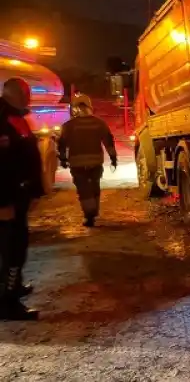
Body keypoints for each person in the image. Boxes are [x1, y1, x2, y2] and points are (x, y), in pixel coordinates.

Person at [0, 77, 44, 320]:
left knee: (19, 246)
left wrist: (35, 191)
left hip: (18, 196)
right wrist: (3, 203)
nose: (29, 97)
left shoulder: (16, 117)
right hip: (7, 199)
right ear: (11, 94)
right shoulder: (2, 120)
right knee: (11, 252)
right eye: (25, 93)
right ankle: (7, 303)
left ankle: (14, 287)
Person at [57, 93, 117, 227]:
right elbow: (108, 141)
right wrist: (113, 158)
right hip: (95, 162)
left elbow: (62, 144)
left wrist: (63, 159)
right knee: (95, 186)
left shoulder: (69, 125)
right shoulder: (99, 123)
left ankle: (90, 215)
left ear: (75, 108)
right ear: (90, 106)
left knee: (83, 189)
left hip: (77, 163)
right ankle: (94, 211)